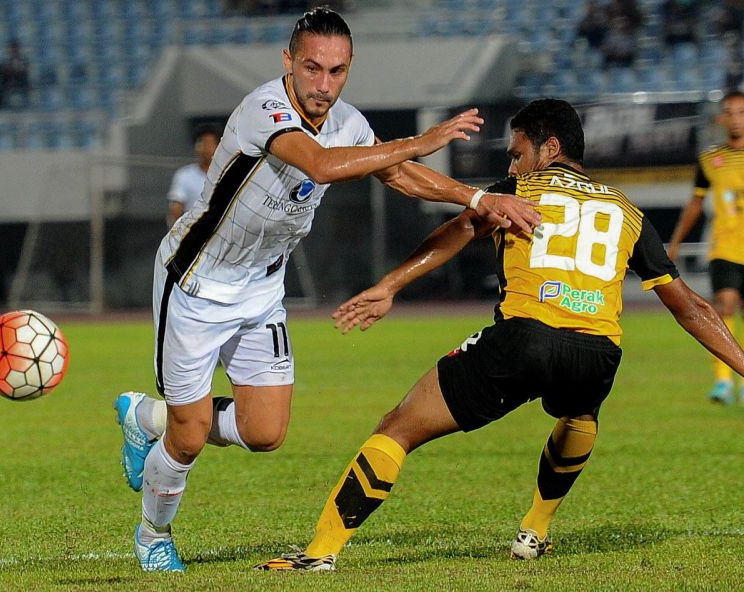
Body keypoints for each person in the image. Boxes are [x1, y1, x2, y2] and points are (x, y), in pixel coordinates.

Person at [112, 7, 540, 573]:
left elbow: (400, 176)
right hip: (195, 282)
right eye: (312, 68)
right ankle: (152, 534)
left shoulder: (349, 122)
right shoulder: (266, 110)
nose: (324, 84)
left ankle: (147, 415)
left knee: (265, 432)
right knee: (189, 439)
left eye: (337, 72)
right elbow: (321, 165)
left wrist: (478, 200)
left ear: (349, 68)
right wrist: (421, 139)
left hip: (261, 288)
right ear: (288, 61)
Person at [255, 98, 744, 571]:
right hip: (597, 354)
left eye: (516, 153)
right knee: (580, 410)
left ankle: (320, 552)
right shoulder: (626, 210)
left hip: (523, 339)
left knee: (398, 428)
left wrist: (389, 285)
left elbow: (461, 229)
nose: (512, 167)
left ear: (548, 149)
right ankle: (535, 531)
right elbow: (691, 307)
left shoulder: (519, 192)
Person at [668, 91, 744, 405]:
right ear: (722, 118)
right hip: (725, 247)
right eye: (731, 112)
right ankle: (724, 382)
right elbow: (696, 203)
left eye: (742, 112)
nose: (736, 118)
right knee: (724, 305)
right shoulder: (711, 159)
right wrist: (675, 241)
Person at [165, 124, 220, 228]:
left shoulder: (229, 174)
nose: (206, 148)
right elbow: (175, 210)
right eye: (201, 142)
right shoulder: (184, 175)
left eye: (210, 143)